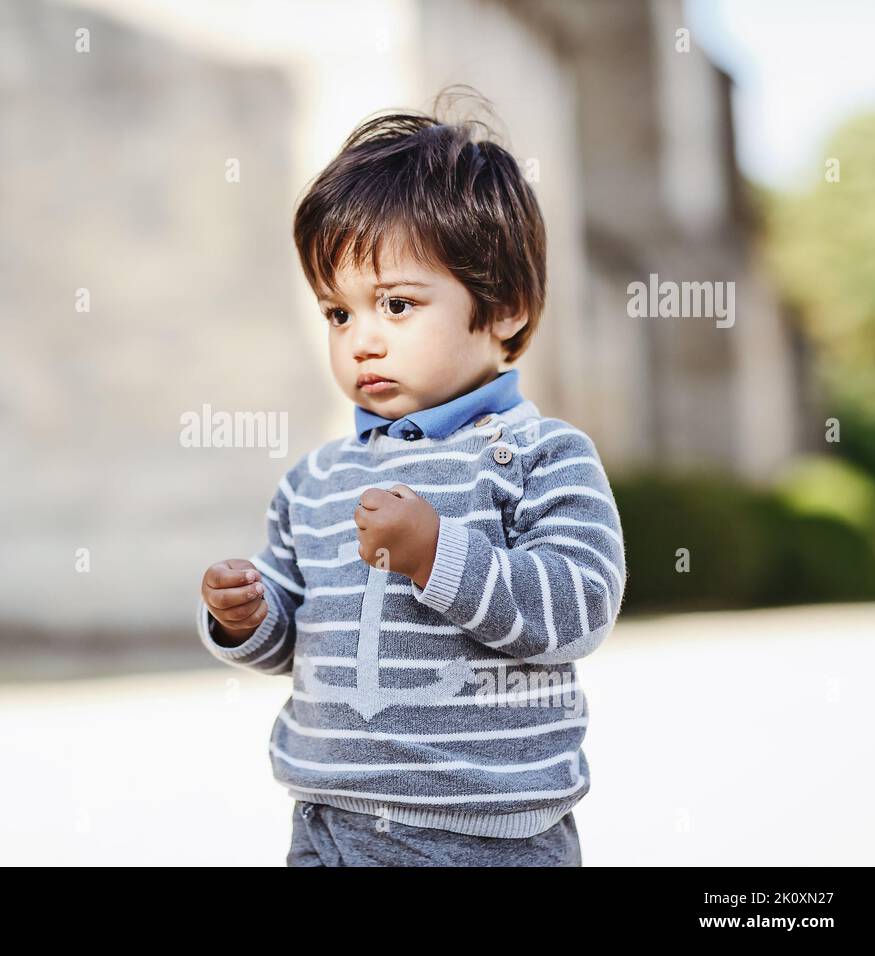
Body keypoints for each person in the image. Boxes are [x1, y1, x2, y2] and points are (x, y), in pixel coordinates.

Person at [197, 90, 628, 867]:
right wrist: (247, 617)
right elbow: (300, 641)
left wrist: (438, 555)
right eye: (337, 313)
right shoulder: (317, 479)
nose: (361, 340)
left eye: (395, 304)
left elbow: (578, 609)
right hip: (329, 822)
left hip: (486, 835)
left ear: (503, 307)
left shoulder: (541, 458)